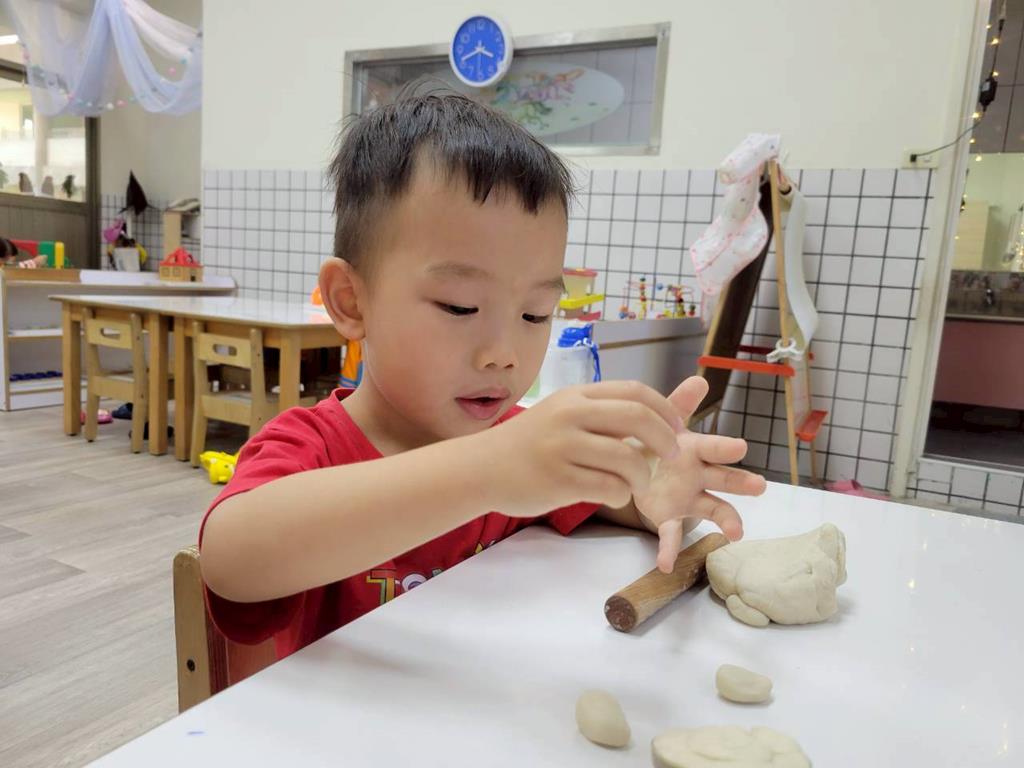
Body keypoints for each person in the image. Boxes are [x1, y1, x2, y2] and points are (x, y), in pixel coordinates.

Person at [199, 92, 766, 658]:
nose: (504, 353)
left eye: (534, 315)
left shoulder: (513, 443)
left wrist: (648, 487)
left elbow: (600, 494)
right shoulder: (314, 447)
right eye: (460, 306)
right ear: (351, 300)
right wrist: (488, 470)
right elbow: (232, 560)